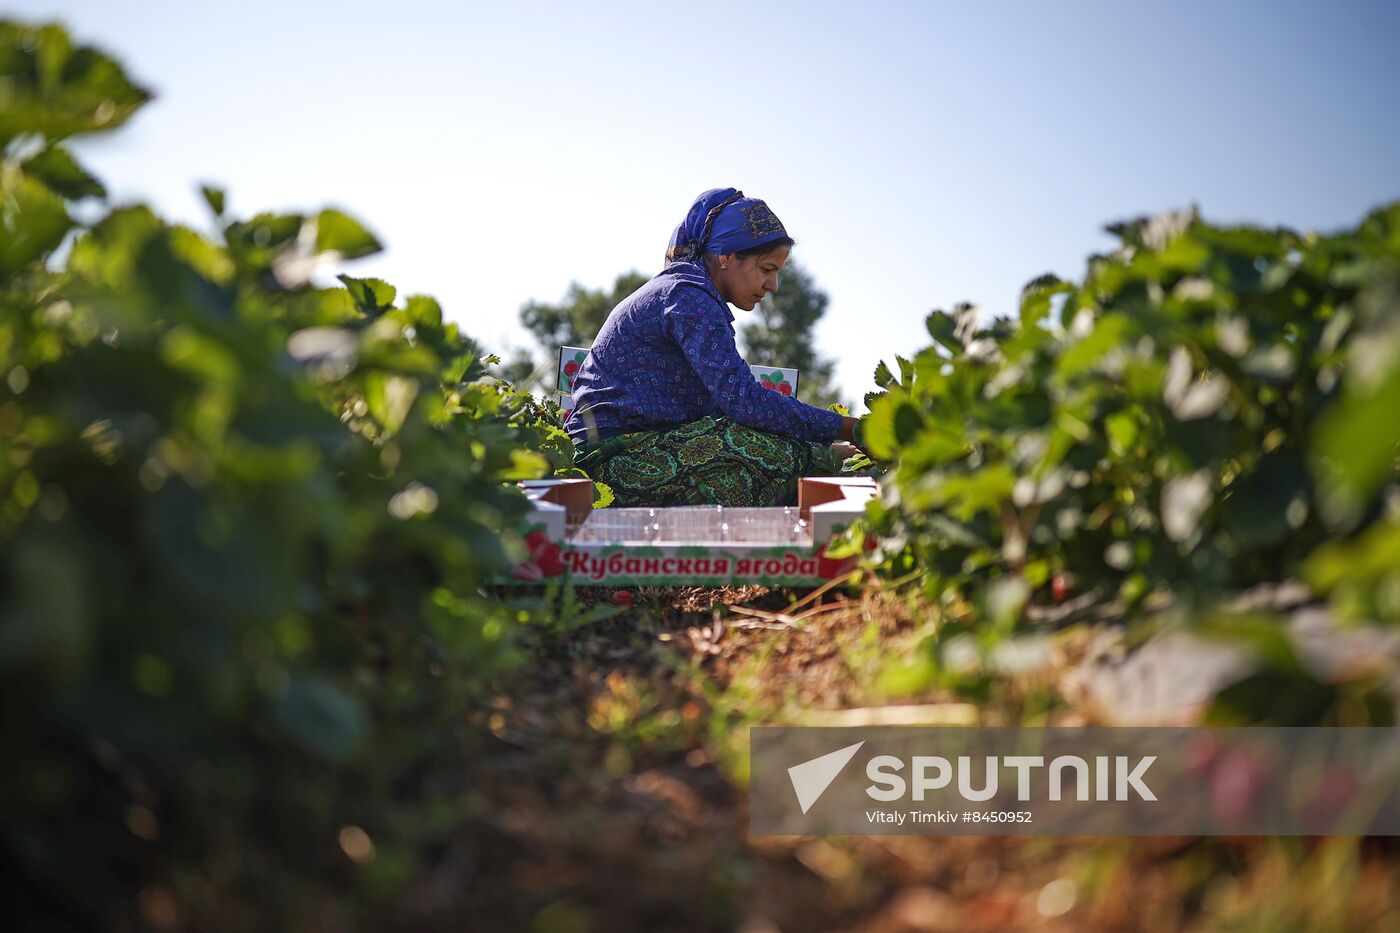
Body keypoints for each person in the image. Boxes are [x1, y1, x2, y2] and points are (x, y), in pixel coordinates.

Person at [564, 187, 865, 507]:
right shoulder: (687, 295)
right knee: (766, 452)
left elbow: (729, 409)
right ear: (727, 257)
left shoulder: (688, 293)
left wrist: (831, 451)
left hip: (642, 448)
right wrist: (851, 430)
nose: (773, 286)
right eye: (767, 269)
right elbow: (744, 401)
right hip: (609, 460)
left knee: (769, 446)